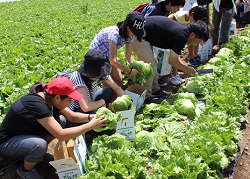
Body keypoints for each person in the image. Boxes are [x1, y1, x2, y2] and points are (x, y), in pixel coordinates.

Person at [0, 77, 107, 179]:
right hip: (7, 143)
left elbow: (73, 117)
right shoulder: (37, 104)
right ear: (57, 98)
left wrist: (90, 117)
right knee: (39, 145)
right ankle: (26, 170)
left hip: (25, 136)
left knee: (61, 120)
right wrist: (91, 125)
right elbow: (61, 135)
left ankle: (35, 155)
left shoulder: (51, 97)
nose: (71, 103)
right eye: (69, 100)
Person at [131, 16, 209, 102]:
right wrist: (187, 69)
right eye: (197, 41)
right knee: (149, 69)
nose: (195, 44)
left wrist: (185, 68)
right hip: (139, 36)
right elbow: (172, 61)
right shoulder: (182, 36)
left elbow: (174, 58)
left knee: (154, 65)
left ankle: (155, 89)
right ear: (192, 35)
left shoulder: (183, 32)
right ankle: (146, 97)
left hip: (146, 37)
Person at [90, 11, 146, 86]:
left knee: (119, 81)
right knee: (110, 84)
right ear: (127, 26)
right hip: (97, 56)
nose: (135, 34)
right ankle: (105, 96)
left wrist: (136, 67)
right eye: (134, 31)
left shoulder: (130, 36)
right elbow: (113, 61)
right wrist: (129, 71)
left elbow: (128, 55)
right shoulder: (114, 34)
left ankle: (112, 96)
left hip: (108, 55)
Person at [140, 0, 186, 87]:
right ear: (169, 3)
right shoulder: (154, 9)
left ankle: (158, 79)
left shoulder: (166, 11)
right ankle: (149, 87)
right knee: (151, 63)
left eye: (179, 7)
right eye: (176, 6)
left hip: (153, 38)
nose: (177, 9)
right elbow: (144, 23)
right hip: (143, 37)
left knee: (158, 59)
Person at [68, 49, 126, 115]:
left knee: (109, 90)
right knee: (93, 112)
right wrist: (102, 101)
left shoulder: (101, 75)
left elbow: (116, 88)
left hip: (90, 101)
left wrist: (126, 100)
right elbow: (85, 107)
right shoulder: (78, 79)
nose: (99, 78)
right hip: (77, 110)